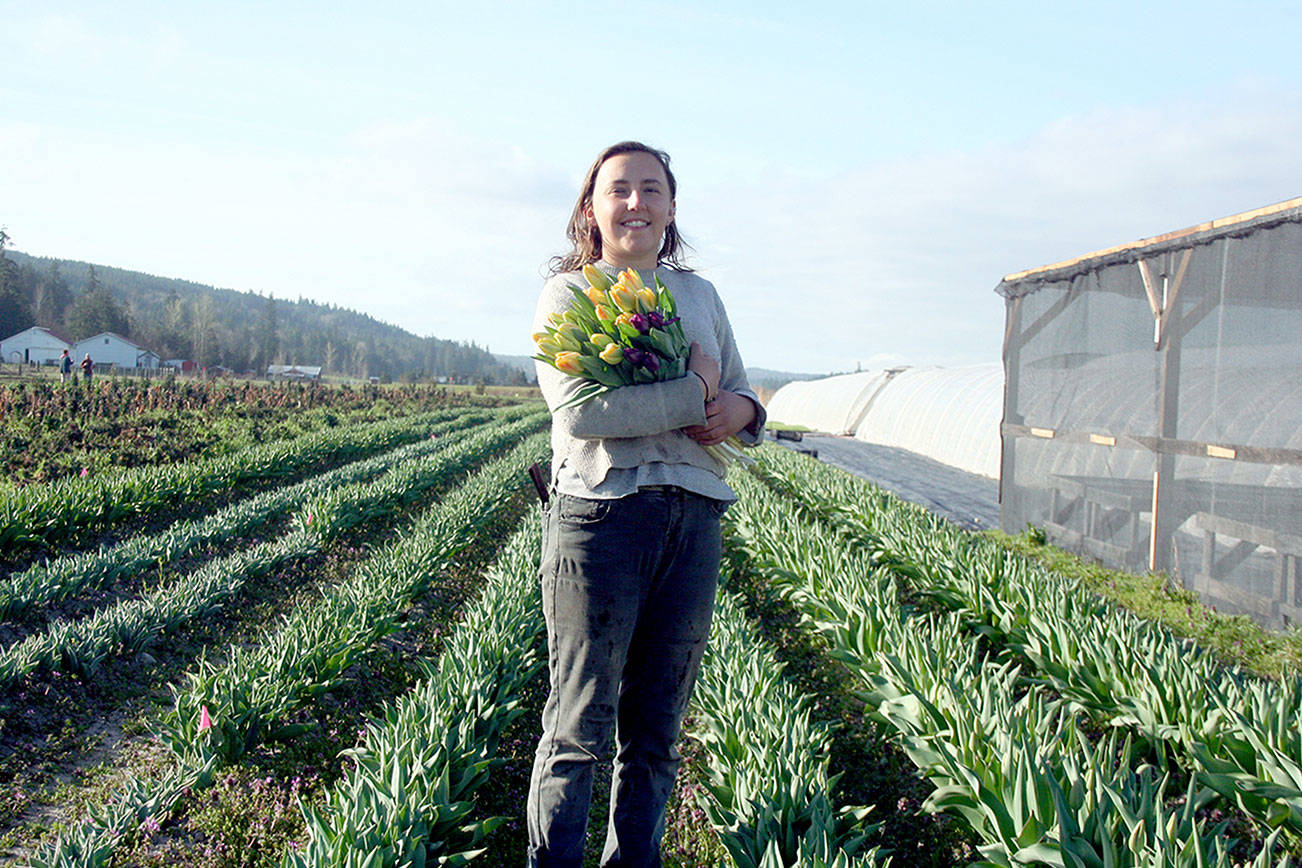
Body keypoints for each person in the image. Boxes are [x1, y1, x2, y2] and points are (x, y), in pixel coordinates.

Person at [527, 141, 765, 867]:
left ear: (670, 208)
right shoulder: (569, 295)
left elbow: (749, 396)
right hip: (602, 517)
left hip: (694, 517)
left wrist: (741, 412)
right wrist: (694, 392)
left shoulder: (700, 296)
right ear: (591, 210)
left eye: (651, 189)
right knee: (580, 724)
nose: (636, 202)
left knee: (657, 730)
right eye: (619, 190)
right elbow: (582, 414)